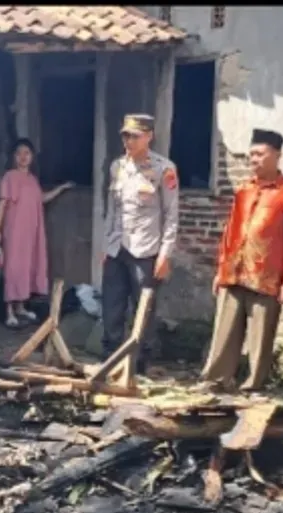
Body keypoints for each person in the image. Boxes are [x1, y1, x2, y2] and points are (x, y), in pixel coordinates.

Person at [200, 129, 283, 392]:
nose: (254, 159)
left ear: (277, 155)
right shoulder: (244, 191)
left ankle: (254, 384)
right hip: (233, 271)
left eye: (260, 154)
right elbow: (229, 231)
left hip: (266, 275)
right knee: (224, 331)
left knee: (261, 335)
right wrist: (220, 269)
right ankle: (216, 380)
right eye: (251, 155)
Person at [101, 113, 180, 375]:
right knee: (112, 304)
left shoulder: (163, 169)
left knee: (144, 308)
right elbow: (112, 209)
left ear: (149, 136)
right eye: (125, 135)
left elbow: (171, 215)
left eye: (135, 136)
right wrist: (105, 245)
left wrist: (165, 255)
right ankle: (111, 359)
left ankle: (142, 364)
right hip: (117, 247)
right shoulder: (117, 166)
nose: (129, 141)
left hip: (146, 248)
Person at [0, 138, 75, 328]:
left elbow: (42, 199)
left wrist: (61, 188)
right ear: (14, 157)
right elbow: (1, 205)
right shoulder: (9, 177)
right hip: (14, 231)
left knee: (26, 267)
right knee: (13, 269)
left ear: (32, 157)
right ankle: (9, 312)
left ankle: (20, 306)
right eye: (19, 153)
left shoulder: (32, 180)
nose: (23, 157)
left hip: (31, 232)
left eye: (27, 153)